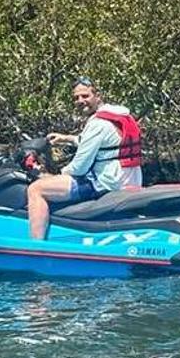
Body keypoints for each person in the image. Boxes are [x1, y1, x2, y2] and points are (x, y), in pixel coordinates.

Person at [27, 77, 144, 241]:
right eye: (76, 98)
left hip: (106, 183)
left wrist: (52, 174)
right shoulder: (119, 114)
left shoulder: (98, 124)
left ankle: (36, 244)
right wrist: (66, 138)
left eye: (85, 96)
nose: (80, 101)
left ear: (98, 95)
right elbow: (102, 143)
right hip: (130, 178)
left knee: (36, 189)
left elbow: (79, 168)